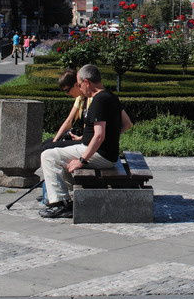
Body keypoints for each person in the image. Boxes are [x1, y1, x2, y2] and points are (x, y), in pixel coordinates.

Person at [39, 64, 130, 218]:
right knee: (57, 154)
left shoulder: (98, 100)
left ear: (87, 82)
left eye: (80, 85)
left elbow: (99, 136)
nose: (80, 89)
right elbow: (125, 124)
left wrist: (82, 160)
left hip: (100, 155)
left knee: (48, 155)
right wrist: (110, 136)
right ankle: (66, 197)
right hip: (107, 154)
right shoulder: (111, 96)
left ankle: (60, 204)